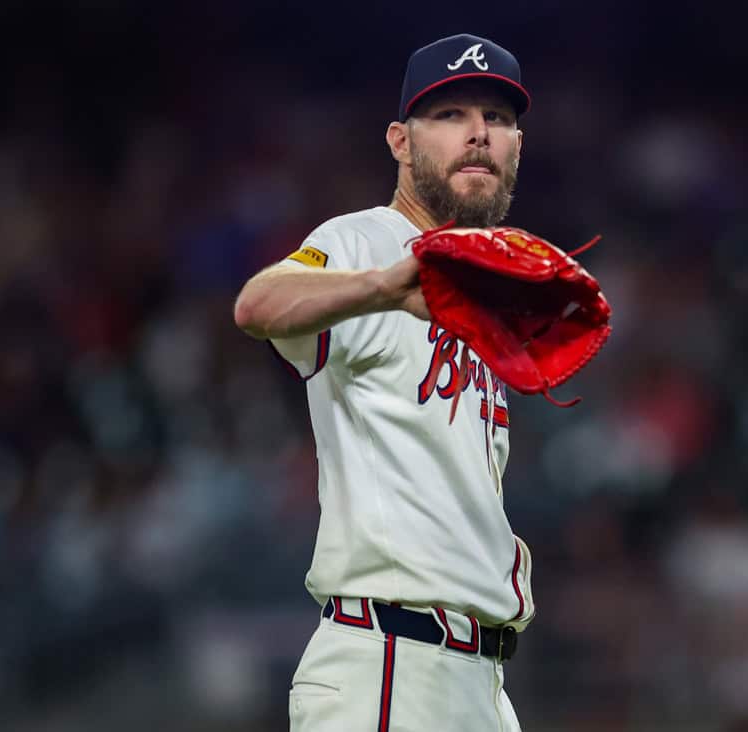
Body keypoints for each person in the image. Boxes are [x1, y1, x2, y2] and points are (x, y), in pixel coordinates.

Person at [234, 33, 533, 732]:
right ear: (400, 141)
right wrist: (382, 287)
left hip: (480, 680)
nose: (478, 134)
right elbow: (258, 304)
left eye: (497, 117)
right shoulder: (363, 241)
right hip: (392, 662)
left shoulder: (489, 287)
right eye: (451, 114)